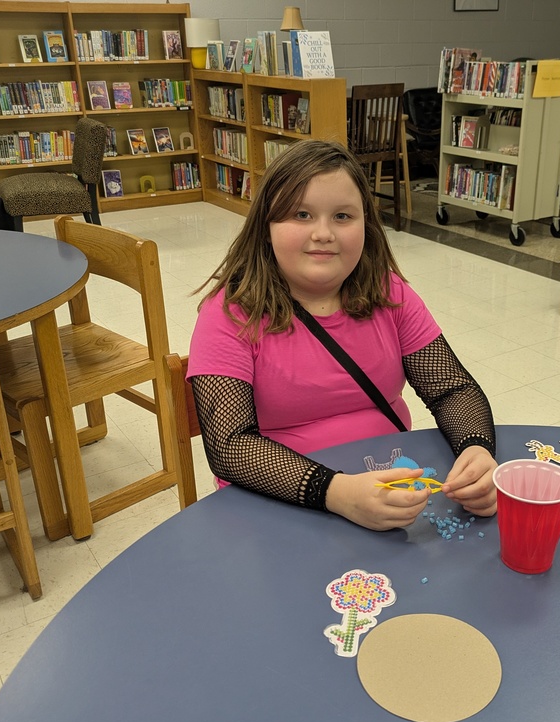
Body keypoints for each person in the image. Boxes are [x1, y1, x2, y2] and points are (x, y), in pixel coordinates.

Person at [187, 140, 497, 531]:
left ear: (366, 224)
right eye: (301, 214)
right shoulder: (230, 313)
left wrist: (477, 450)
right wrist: (337, 493)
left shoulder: (389, 291)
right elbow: (230, 445)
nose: (323, 233)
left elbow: (451, 389)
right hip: (278, 502)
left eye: (342, 216)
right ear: (266, 226)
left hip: (388, 490)